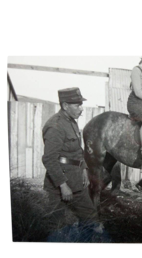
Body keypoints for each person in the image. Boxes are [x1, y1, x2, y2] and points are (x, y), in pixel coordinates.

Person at [42, 88, 103, 234]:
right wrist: (63, 185)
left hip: (76, 181)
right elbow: (50, 159)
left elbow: (77, 151)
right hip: (58, 185)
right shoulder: (55, 126)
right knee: (55, 225)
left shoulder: (72, 122)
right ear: (65, 106)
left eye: (81, 104)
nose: (81, 109)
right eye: (77, 105)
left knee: (91, 218)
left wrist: (84, 170)